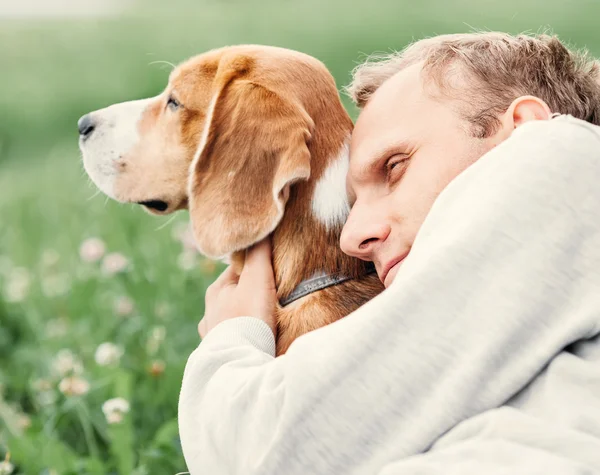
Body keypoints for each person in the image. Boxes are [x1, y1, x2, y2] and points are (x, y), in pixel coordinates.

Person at [178, 32, 600, 474]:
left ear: (525, 130)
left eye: (394, 167)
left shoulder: (564, 162)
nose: (352, 236)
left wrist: (232, 339)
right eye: (355, 201)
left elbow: (267, 449)